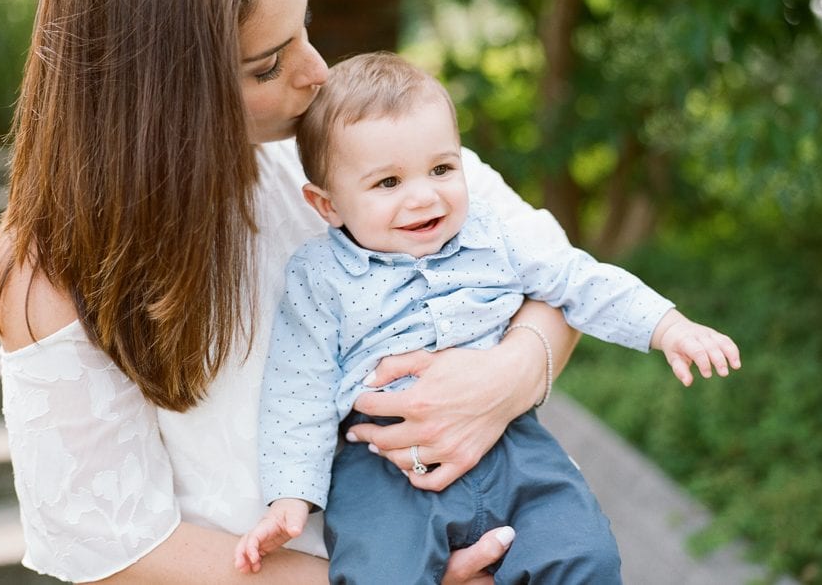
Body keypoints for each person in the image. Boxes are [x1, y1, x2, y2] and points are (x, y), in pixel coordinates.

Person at [0, 0, 590, 582]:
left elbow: (554, 273)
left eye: (304, 28)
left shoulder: (342, 156)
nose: (318, 72)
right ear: (161, 96)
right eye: (267, 67)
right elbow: (125, 547)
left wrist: (512, 375)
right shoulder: (50, 276)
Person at [235, 52, 742, 583]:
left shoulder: (492, 234)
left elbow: (578, 279)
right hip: (383, 467)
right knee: (379, 572)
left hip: (511, 444)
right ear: (328, 204)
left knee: (583, 554)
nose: (424, 195)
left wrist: (669, 325)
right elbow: (298, 387)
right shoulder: (318, 276)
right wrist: (291, 496)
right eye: (389, 183)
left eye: (441, 168)